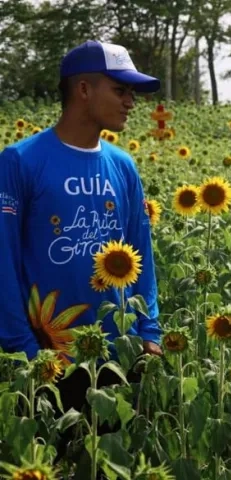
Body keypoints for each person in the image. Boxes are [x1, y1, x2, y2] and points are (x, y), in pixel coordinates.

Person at [0, 40, 162, 470]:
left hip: (115, 353)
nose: (130, 102)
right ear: (83, 90)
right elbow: (3, 258)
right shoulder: (20, 160)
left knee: (106, 464)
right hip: (42, 357)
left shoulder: (123, 166)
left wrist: (150, 330)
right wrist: (22, 349)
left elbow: (140, 254)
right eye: (120, 90)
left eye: (132, 93)